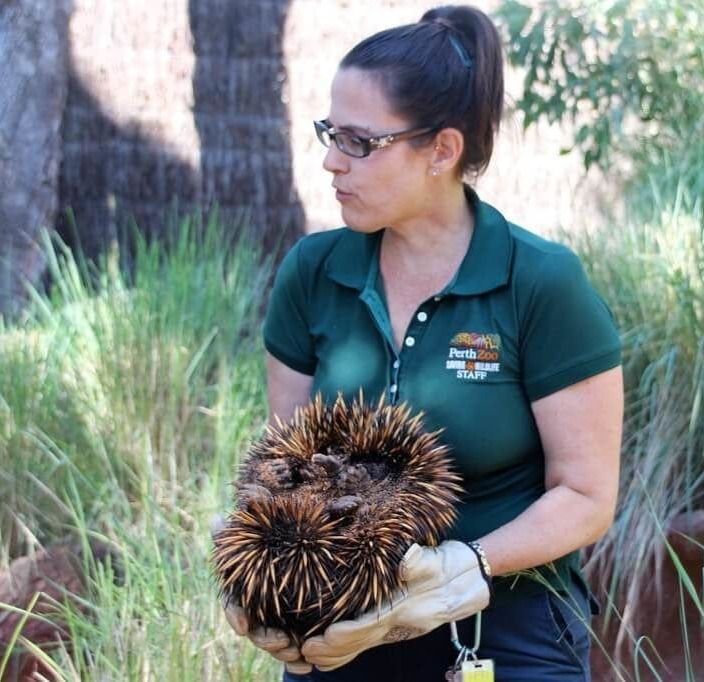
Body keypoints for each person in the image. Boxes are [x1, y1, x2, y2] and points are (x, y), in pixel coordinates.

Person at [224, 5, 624, 681]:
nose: (330, 161)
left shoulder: (541, 284)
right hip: (344, 614)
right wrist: (260, 563)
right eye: (329, 133)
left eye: (358, 142)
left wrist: (467, 565)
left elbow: (586, 496)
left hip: (509, 622)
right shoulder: (313, 275)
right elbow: (287, 467)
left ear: (442, 150)